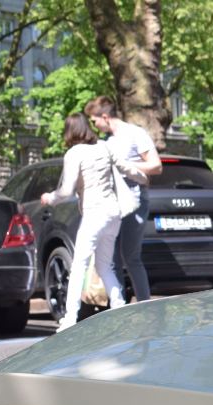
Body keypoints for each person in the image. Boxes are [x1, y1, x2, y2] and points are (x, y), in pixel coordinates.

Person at [40, 112, 134, 331]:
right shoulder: (103, 147)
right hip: (113, 213)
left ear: (70, 131)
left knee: (79, 265)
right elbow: (123, 168)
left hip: (95, 213)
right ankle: (120, 309)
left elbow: (66, 190)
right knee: (104, 265)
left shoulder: (75, 153)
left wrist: (49, 198)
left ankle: (70, 319)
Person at [84, 95, 163, 302]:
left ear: (105, 116)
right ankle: (118, 307)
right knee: (112, 258)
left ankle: (145, 304)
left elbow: (156, 166)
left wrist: (125, 165)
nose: (94, 126)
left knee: (131, 256)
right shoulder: (109, 141)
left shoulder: (134, 133)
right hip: (114, 204)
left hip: (135, 202)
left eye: (94, 121)